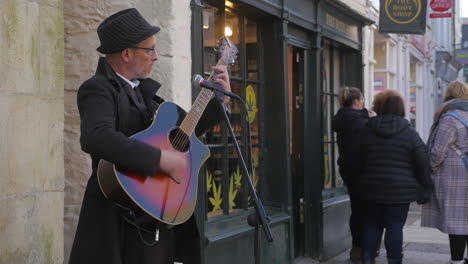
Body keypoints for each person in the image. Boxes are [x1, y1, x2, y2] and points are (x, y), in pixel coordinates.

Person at [69, 8, 231, 264]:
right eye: (150, 50)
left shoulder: (147, 96)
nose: (156, 57)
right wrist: (159, 159)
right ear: (126, 53)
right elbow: (96, 137)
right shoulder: (98, 89)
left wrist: (220, 100)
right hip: (117, 217)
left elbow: (183, 134)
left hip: (154, 213)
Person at [355, 89, 432, 264]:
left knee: (371, 224)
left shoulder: (367, 130)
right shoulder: (409, 133)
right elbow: (422, 160)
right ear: (401, 110)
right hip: (400, 191)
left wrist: (359, 180)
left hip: (371, 188)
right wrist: (425, 185)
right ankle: (394, 260)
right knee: (395, 225)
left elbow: (355, 158)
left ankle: (367, 258)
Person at [421, 81, 468, 264]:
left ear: (448, 96)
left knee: (458, 222)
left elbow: (438, 151)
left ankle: (456, 261)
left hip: (456, 175)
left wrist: (431, 169)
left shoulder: (450, 117)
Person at [332, 87, 375, 263]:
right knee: (367, 212)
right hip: (363, 171)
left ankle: (357, 249)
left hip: (348, 170)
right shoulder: (360, 120)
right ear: (357, 101)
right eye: (362, 100)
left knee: (357, 210)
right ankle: (366, 249)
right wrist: (372, 118)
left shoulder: (342, 117)